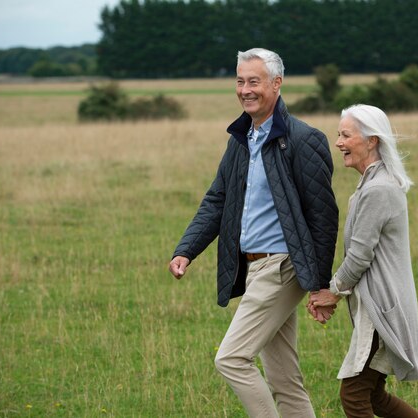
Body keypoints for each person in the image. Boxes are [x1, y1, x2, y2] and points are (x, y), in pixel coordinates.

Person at [168, 48, 338, 417]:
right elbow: (217, 199)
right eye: (240, 81)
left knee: (231, 359)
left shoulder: (303, 139)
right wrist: (186, 250)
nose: (245, 89)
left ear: (276, 84)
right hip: (255, 267)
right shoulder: (241, 139)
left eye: (254, 81)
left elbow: (323, 217)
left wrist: (321, 284)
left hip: (282, 267)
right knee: (284, 379)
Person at [308, 104, 418, 418]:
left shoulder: (378, 189)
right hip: (377, 306)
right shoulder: (373, 185)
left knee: (354, 396)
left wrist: (332, 292)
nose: (338, 143)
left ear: (372, 141)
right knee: (374, 396)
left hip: (381, 308)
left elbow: (360, 255)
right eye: (338, 135)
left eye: (346, 135)